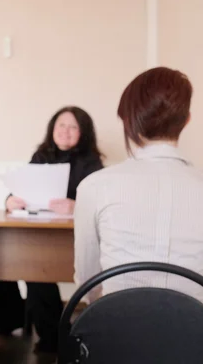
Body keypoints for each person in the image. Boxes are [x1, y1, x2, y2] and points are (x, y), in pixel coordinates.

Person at [74, 66, 203, 303]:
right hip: (195, 335)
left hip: (117, 332)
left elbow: (87, 283)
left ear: (127, 119)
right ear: (187, 120)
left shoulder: (94, 186)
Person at [0, 106, 104, 354]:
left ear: (83, 132)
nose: (65, 131)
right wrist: (10, 200)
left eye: (73, 127)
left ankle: (52, 336)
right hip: (36, 231)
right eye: (61, 125)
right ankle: (6, 323)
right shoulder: (41, 156)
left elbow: (100, 204)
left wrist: (76, 206)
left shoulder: (92, 163)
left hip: (70, 237)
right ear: (52, 129)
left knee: (37, 271)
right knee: (2, 257)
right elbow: (21, 189)